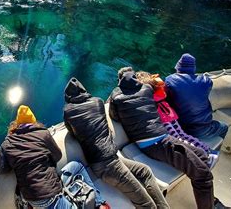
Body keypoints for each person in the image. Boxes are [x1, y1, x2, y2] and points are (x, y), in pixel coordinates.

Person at [109, 67, 227, 209]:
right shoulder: (146, 89)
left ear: (119, 80)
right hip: (158, 142)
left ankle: (205, 194)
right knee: (204, 175)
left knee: (202, 156)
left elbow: (114, 116)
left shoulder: (116, 95)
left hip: (158, 140)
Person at [63, 78, 169, 209]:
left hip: (107, 163)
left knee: (144, 171)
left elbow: (72, 132)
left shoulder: (68, 111)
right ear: (84, 91)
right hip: (109, 164)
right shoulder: (98, 102)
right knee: (146, 204)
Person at [0, 105, 106, 209]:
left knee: (76, 166)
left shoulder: (7, 143)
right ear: (33, 121)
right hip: (50, 196)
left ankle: (97, 203)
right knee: (78, 167)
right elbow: (58, 156)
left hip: (31, 197)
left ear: (17, 124)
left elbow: (2, 169)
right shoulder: (43, 133)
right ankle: (100, 203)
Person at [136, 71, 219, 168]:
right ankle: (208, 150)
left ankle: (204, 157)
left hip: (163, 118)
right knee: (183, 135)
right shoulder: (158, 88)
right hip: (170, 114)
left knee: (178, 138)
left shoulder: (148, 93)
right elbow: (163, 95)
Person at [165, 53, 228, 140]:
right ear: (193, 68)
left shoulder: (169, 80)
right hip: (203, 130)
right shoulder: (206, 81)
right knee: (225, 127)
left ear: (178, 67)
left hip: (179, 129)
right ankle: (221, 149)